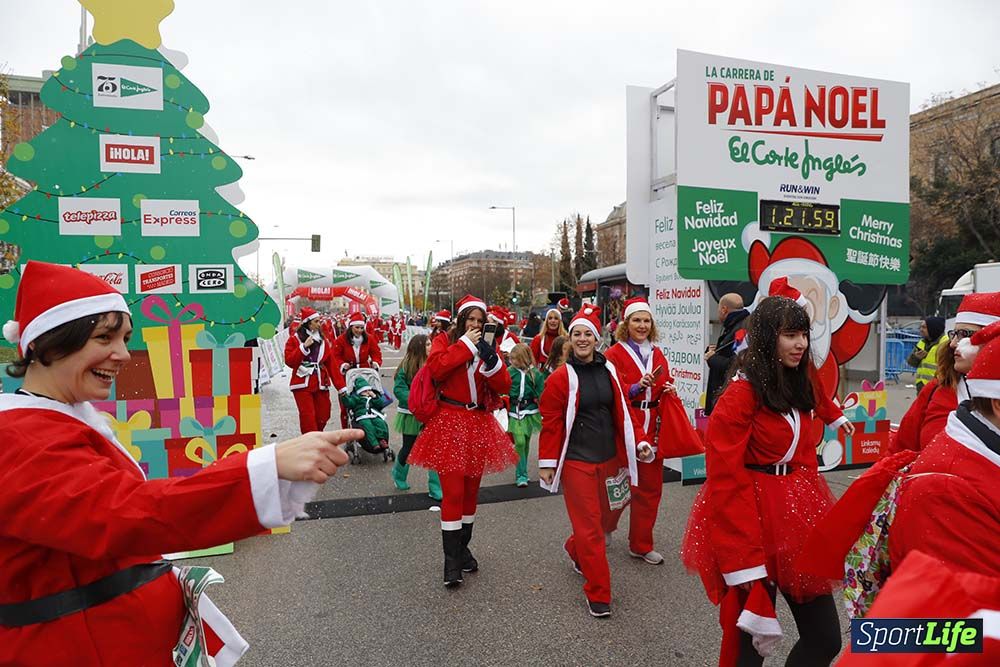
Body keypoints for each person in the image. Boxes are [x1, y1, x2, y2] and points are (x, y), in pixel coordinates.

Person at [0, 261, 357, 666]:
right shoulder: (19, 435)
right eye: (104, 337)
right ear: (45, 344)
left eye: (125, 338)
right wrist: (265, 466)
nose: (121, 354)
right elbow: (129, 514)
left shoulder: (52, 417)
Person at [682, 294, 852, 667]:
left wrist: (836, 419)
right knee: (749, 649)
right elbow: (725, 479)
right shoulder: (741, 394)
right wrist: (743, 558)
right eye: (791, 335)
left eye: (804, 334)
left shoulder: (797, 378)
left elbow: (813, 419)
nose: (801, 344)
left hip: (796, 516)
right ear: (766, 337)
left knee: (824, 639)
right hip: (750, 523)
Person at [538, 305, 654, 618]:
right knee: (590, 528)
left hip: (610, 458)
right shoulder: (561, 378)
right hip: (578, 461)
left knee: (607, 518)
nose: (582, 338)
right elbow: (551, 422)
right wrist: (547, 462)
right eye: (576, 333)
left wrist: (640, 441)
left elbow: (625, 411)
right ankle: (599, 592)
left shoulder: (609, 371)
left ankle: (574, 549)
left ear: (596, 337)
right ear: (569, 339)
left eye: (587, 333)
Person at [407, 295, 517, 587]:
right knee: (453, 494)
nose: (476, 325)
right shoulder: (445, 341)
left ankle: (462, 548)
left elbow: (504, 386)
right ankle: (451, 563)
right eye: (471, 319)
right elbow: (437, 368)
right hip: (449, 421)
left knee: (470, 494)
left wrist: (492, 359)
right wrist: (466, 343)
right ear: (461, 319)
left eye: (480, 321)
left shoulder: (488, 347)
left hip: (479, 423)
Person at [603, 297, 675, 565]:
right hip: (625, 422)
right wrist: (635, 387)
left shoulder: (657, 353)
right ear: (626, 324)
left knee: (650, 488)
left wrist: (668, 388)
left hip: (653, 423)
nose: (642, 325)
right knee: (618, 483)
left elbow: (664, 379)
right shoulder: (613, 354)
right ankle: (606, 525)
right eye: (637, 320)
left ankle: (641, 544)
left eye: (646, 320)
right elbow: (611, 390)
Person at [889, 334, 961, 455]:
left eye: (966, 334)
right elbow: (900, 448)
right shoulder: (935, 390)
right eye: (955, 333)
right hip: (924, 384)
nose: (953, 343)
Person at [390, 334, 442, 500]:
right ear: (419, 347)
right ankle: (398, 473)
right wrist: (416, 401)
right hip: (411, 413)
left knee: (434, 449)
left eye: (430, 343)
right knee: (409, 448)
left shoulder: (435, 363)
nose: (430, 347)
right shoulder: (406, 366)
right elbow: (399, 389)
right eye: (427, 344)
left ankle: (435, 487)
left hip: (432, 412)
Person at [284, 307, 335, 435]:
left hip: (321, 382)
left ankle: (316, 436)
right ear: (308, 323)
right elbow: (289, 361)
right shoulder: (294, 339)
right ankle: (311, 443)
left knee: (324, 414)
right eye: (316, 321)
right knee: (308, 417)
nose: (320, 324)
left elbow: (331, 364)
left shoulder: (322, 340)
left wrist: (342, 388)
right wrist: (303, 347)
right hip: (302, 383)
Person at [332, 312, 383, 428]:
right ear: (351, 327)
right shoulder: (341, 340)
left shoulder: (369, 339)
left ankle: (374, 428)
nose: (359, 330)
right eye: (357, 328)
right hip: (348, 374)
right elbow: (335, 356)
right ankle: (346, 431)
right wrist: (342, 364)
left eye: (361, 328)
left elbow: (376, 353)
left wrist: (375, 362)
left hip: (365, 372)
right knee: (346, 405)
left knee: (369, 401)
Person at [704, 292, 749, 416]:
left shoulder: (741, 329)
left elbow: (737, 364)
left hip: (727, 397)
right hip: (727, 395)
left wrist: (712, 358)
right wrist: (715, 351)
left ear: (724, 309)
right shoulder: (737, 324)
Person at [506, 343, 543, 487]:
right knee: (519, 442)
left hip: (530, 411)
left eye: (515, 359)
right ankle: (520, 475)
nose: (512, 362)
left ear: (524, 359)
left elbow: (541, 393)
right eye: (511, 359)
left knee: (526, 443)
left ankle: (523, 472)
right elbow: (503, 387)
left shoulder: (535, 374)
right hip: (515, 411)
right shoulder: (509, 372)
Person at [342, 376, 392, 455]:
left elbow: (379, 404)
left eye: (369, 390)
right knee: (368, 426)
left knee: (381, 423)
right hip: (362, 416)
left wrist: (375, 397)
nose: (368, 392)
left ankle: (382, 439)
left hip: (373, 415)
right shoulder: (357, 398)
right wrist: (344, 397)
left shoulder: (372, 398)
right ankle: (374, 443)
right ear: (360, 392)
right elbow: (349, 403)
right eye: (365, 391)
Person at [907, 316, 947, 394]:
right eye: (921, 327)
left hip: (938, 388)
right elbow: (910, 362)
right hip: (922, 387)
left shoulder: (945, 344)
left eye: (924, 327)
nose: (921, 330)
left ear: (933, 328)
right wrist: (916, 357)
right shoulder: (921, 343)